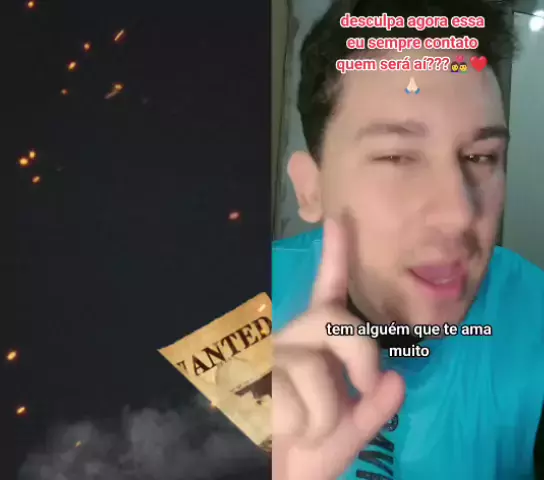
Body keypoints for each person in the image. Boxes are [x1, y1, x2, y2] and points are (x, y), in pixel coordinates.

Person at [271, 0, 544, 478]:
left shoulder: (533, 323)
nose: (459, 214)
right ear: (310, 188)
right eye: (397, 157)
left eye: (481, 157)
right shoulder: (230, 316)